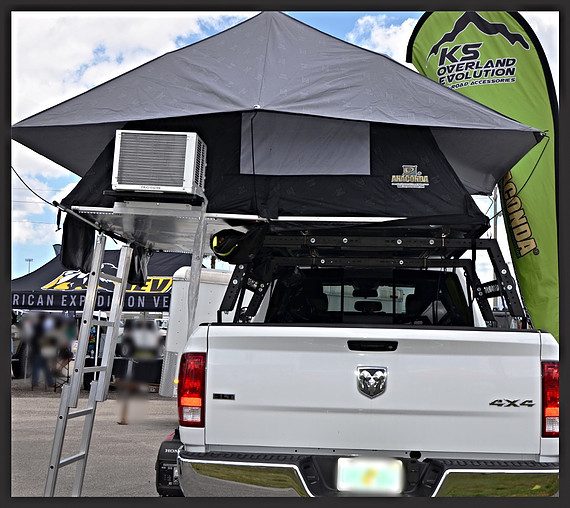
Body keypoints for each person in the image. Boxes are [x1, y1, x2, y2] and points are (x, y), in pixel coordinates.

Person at [29, 313, 55, 389]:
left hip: (37, 350)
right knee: (40, 367)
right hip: (39, 350)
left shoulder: (36, 327)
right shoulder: (39, 328)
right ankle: (45, 383)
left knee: (42, 367)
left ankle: (46, 383)